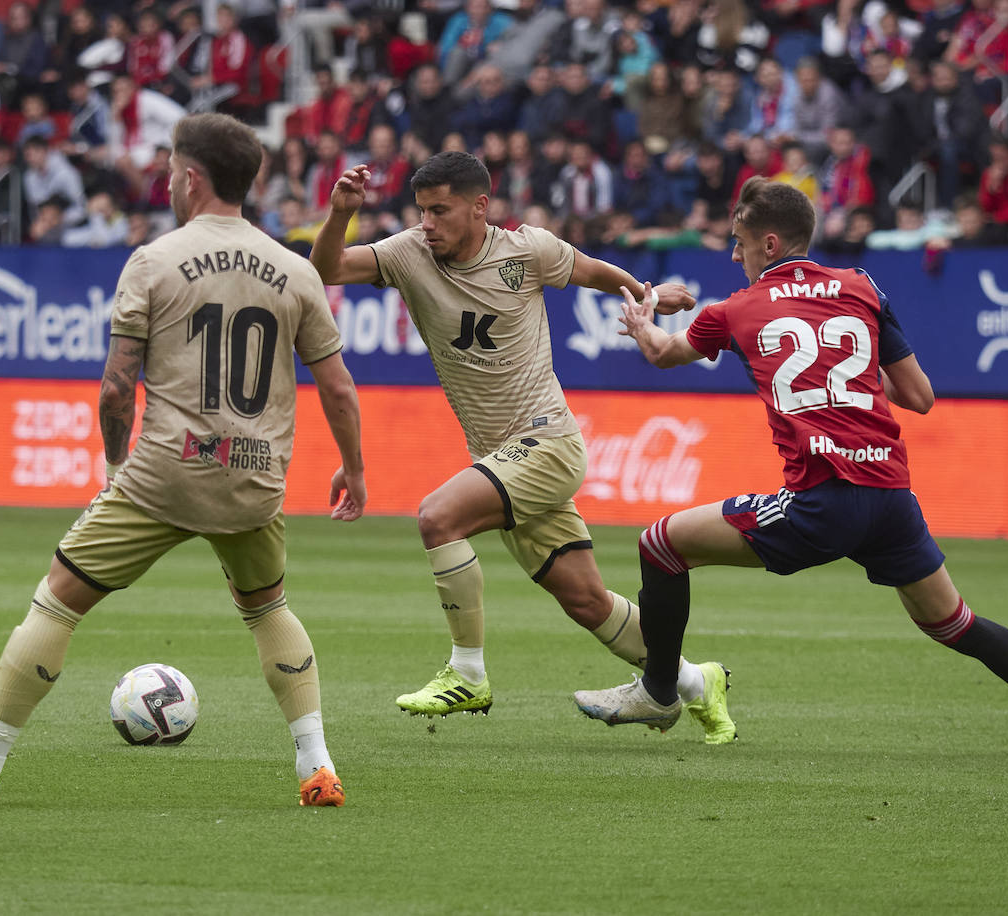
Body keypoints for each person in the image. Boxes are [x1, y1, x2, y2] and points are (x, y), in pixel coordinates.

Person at [572, 176, 1008, 759]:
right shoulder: (862, 287)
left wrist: (643, 323)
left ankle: (661, 692)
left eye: (739, 241)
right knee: (955, 623)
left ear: (770, 244)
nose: (732, 253)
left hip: (822, 500)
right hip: (891, 498)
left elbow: (665, 354)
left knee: (660, 545)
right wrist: (853, 375)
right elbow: (919, 396)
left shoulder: (737, 311)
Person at [0, 113, 366, 807]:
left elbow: (117, 387)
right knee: (267, 605)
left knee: (59, 600)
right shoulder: (296, 271)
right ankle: (317, 764)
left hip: (164, 474)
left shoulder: (154, 260)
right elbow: (337, 385)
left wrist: (115, 465)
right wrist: (354, 468)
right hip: (253, 477)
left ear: (190, 178)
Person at [309, 151, 737, 743]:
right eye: (422, 211)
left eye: (441, 210)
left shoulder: (526, 250)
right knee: (587, 601)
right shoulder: (407, 253)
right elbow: (328, 268)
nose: (428, 223)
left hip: (547, 442)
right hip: (501, 458)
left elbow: (591, 271)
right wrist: (340, 215)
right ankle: (694, 681)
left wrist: (645, 294)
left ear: (480, 207)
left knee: (437, 517)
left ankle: (467, 672)